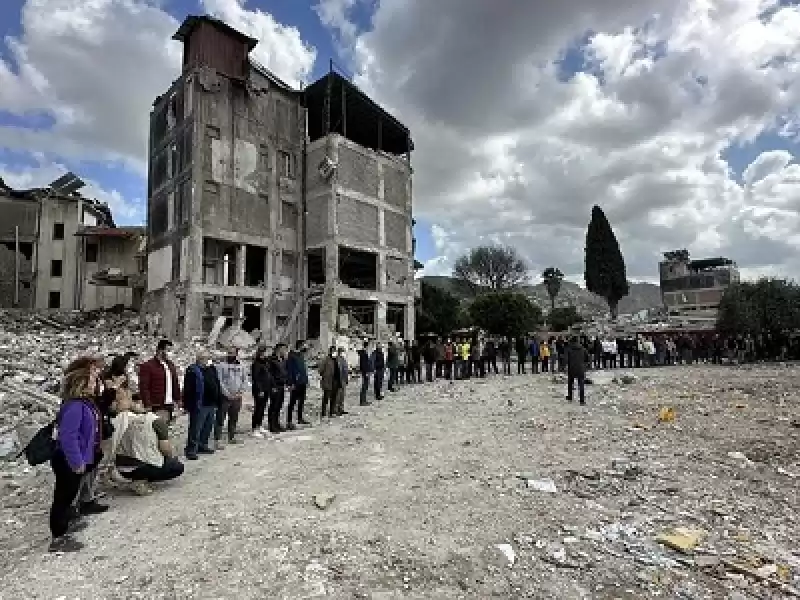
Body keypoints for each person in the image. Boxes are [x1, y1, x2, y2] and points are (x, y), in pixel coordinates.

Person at [49, 357, 103, 553]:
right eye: (92, 381)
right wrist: (77, 461)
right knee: (62, 498)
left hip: (75, 457)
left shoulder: (83, 403)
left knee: (69, 494)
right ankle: (58, 538)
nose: (95, 384)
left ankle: (66, 525)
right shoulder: (74, 406)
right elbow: (68, 436)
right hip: (67, 459)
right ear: (81, 384)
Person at [109, 388, 184, 496]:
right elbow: (166, 450)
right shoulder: (156, 421)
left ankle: (136, 478)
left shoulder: (119, 419)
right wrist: (170, 457)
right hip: (140, 465)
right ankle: (140, 480)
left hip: (120, 467)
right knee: (176, 466)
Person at [183, 348, 220, 458]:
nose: (207, 360)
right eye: (205, 358)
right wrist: (188, 405)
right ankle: (191, 450)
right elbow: (188, 389)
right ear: (199, 359)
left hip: (211, 403)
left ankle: (202, 445)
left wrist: (218, 400)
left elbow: (216, 383)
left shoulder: (211, 369)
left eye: (208, 358)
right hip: (199, 403)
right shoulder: (192, 370)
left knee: (207, 427)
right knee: (196, 428)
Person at [138, 340, 181, 423]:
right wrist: (147, 404)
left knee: (167, 427)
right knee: (158, 427)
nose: (170, 353)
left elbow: (175, 383)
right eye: (168, 350)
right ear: (160, 351)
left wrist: (178, 399)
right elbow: (144, 387)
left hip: (169, 404)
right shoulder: (148, 366)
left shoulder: (171, 365)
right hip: (156, 404)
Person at [215, 346, 247, 447]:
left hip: (237, 397)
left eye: (232, 353)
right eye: (229, 353)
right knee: (220, 418)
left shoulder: (241, 366)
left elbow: (245, 380)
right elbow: (219, 381)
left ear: (236, 354)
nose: (230, 355)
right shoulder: (221, 366)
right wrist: (227, 394)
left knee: (234, 417)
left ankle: (231, 437)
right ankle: (217, 439)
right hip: (225, 397)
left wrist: (240, 392)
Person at [286, 341, 311, 428]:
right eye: (304, 345)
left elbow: (303, 369)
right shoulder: (291, 356)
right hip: (295, 383)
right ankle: (289, 421)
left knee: (301, 401)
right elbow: (289, 370)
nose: (306, 346)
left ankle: (300, 418)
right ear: (300, 346)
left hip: (302, 382)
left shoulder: (301, 355)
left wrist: (306, 380)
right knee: (292, 402)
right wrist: (290, 383)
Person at [250, 346, 272, 437]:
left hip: (266, 388)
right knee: (258, 408)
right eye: (265, 352)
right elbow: (256, 378)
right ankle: (254, 428)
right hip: (259, 390)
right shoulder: (256, 363)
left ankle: (259, 425)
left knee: (262, 408)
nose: (267, 354)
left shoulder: (265, 362)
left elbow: (268, 375)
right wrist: (260, 390)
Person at [267, 344, 289, 432]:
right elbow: (269, 375)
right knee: (274, 406)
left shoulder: (282, 360)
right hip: (275, 386)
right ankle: (271, 425)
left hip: (281, 385)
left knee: (279, 406)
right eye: (284, 349)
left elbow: (284, 372)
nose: (285, 351)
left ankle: (276, 423)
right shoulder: (271, 360)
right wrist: (273, 386)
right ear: (279, 349)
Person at [319, 346, 342, 418]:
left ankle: (331, 412)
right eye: (333, 351)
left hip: (336, 381)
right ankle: (323, 413)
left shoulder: (337, 360)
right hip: (328, 381)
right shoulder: (326, 359)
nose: (334, 352)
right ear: (330, 351)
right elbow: (320, 370)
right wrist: (326, 375)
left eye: (335, 351)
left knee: (333, 397)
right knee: (326, 397)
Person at [565, 336, 589, 405]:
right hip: (580, 368)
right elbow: (587, 358)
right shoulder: (583, 349)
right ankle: (582, 400)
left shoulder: (569, 349)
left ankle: (570, 397)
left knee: (570, 383)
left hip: (571, 368)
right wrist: (585, 365)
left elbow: (566, 359)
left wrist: (565, 366)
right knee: (581, 384)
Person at [334, 347, 350, 417]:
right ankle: (336, 410)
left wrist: (346, 379)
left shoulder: (343, 359)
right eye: (343, 351)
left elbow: (345, 370)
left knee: (342, 396)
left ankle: (341, 409)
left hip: (343, 380)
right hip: (339, 380)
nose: (343, 353)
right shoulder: (337, 359)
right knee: (338, 396)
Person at [358, 341, 373, 406]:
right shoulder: (364, 353)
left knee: (365, 386)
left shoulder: (364, 353)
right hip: (365, 372)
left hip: (365, 371)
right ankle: (362, 401)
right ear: (367, 346)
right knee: (364, 386)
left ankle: (364, 400)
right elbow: (364, 364)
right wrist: (366, 372)